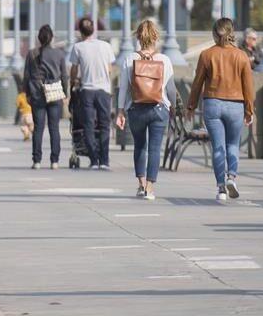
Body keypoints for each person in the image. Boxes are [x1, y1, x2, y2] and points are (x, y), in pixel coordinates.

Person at [187, 18, 255, 201]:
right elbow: (248, 86)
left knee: (217, 147)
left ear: (214, 34)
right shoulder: (242, 56)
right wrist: (249, 110)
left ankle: (221, 189)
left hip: (213, 103)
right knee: (233, 145)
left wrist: (191, 106)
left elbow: (197, 83)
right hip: (235, 105)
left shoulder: (206, 55)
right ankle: (231, 176)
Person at [116, 20, 175, 201]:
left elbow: (123, 89)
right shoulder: (164, 60)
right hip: (159, 109)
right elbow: (171, 89)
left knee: (140, 146)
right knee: (155, 148)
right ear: (155, 37)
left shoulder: (129, 59)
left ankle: (141, 184)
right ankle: (150, 188)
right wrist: (172, 106)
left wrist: (120, 112)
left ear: (138, 37)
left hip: (136, 109)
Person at [69, 17, 116, 169]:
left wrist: (73, 82)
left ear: (80, 32)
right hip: (103, 91)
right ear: (94, 30)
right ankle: (105, 161)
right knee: (104, 125)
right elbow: (110, 69)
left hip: (87, 90)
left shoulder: (78, 47)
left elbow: (74, 70)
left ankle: (94, 160)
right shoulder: (106, 46)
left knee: (88, 126)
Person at [23, 25, 68, 169]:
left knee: (38, 128)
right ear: (52, 38)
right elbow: (64, 76)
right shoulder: (59, 54)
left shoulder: (31, 54)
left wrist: (27, 94)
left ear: (39, 38)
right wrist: (65, 93)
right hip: (54, 94)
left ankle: (37, 160)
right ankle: (54, 161)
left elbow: (26, 76)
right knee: (54, 128)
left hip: (37, 94)